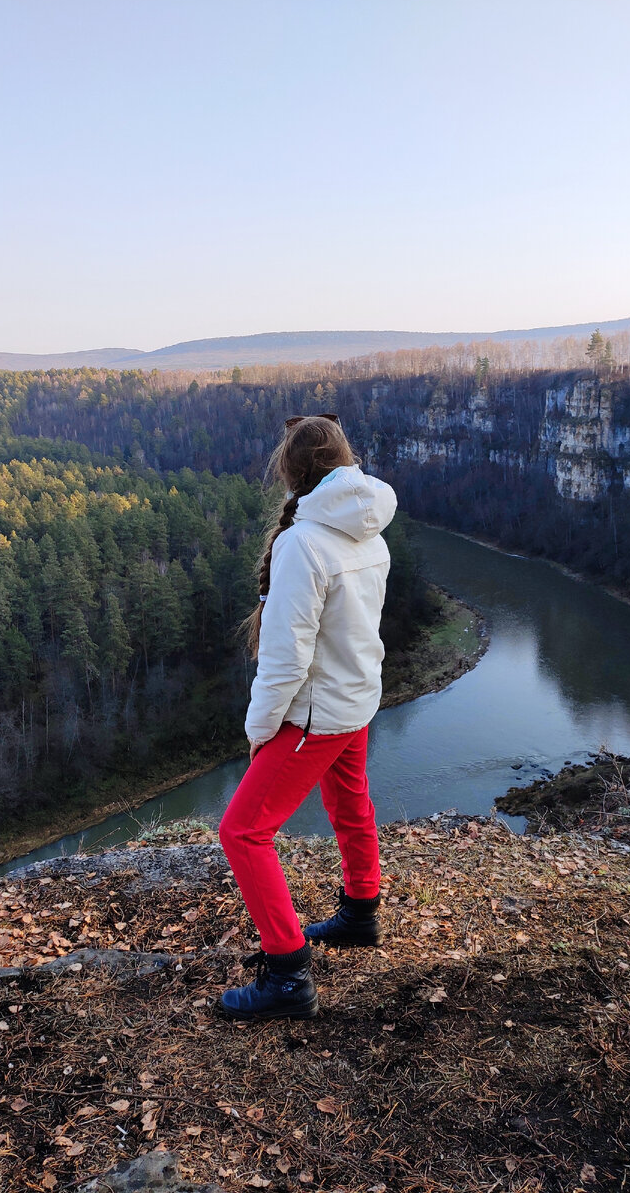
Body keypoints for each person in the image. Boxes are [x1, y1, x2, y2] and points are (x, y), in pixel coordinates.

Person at [217, 414, 397, 1020]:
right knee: (350, 805)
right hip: (355, 699)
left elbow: (285, 657)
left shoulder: (302, 543)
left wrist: (258, 730)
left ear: (291, 473)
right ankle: (359, 914)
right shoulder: (370, 530)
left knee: (243, 832)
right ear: (346, 462)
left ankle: (288, 975)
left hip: (314, 714)